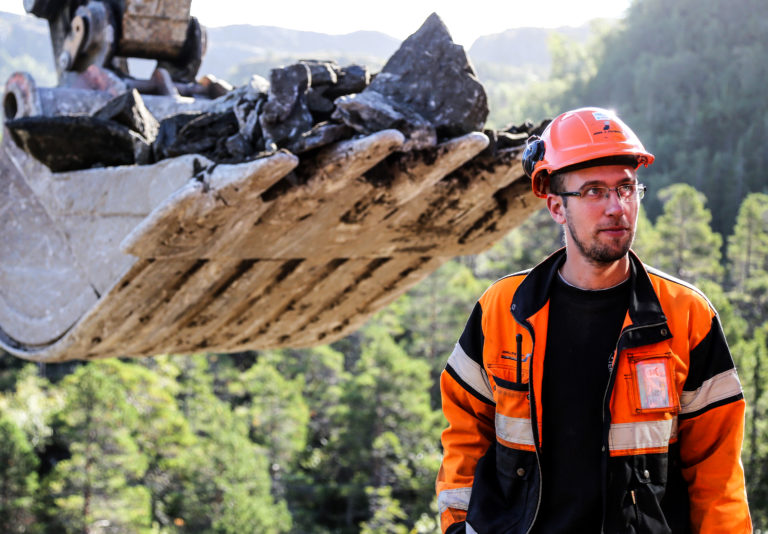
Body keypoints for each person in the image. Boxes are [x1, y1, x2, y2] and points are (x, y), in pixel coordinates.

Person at [435, 107, 752, 533]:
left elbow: (718, 478)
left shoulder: (686, 316)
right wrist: (457, 527)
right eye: (593, 191)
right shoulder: (503, 310)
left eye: (625, 188)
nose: (616, 207)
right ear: (556, 207)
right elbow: (465, 438)